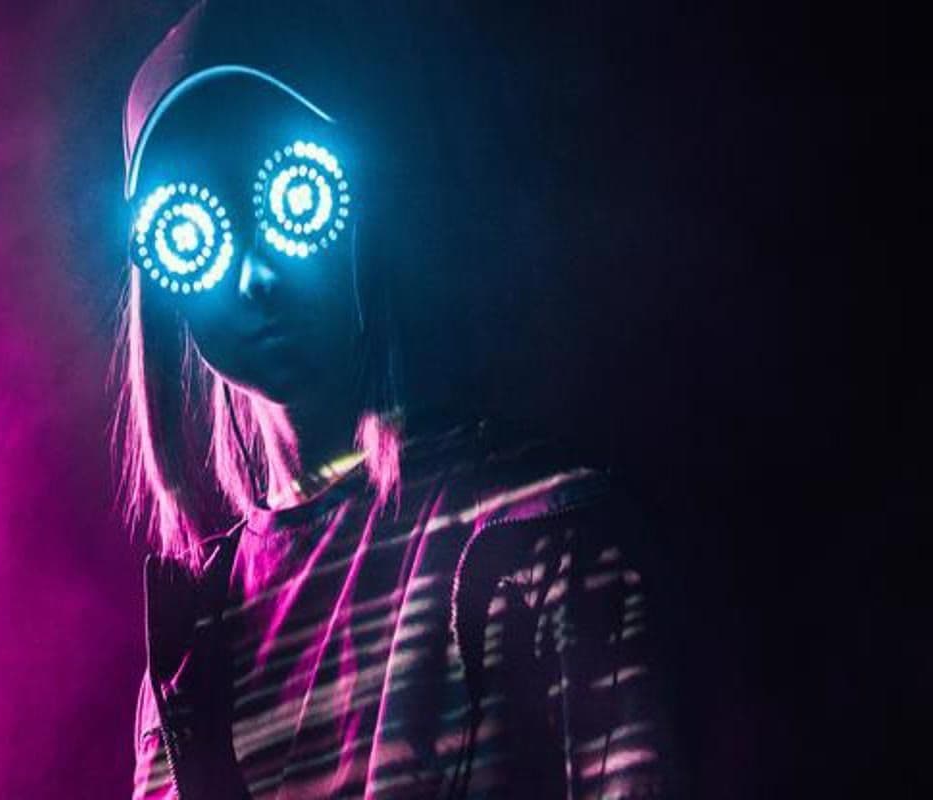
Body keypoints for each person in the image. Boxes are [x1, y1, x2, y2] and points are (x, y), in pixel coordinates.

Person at [113, 2, 677, 797]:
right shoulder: (190, 648)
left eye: (294, 198)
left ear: (364, 199)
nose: (253, 274)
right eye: (191, 231)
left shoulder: (539, 535)